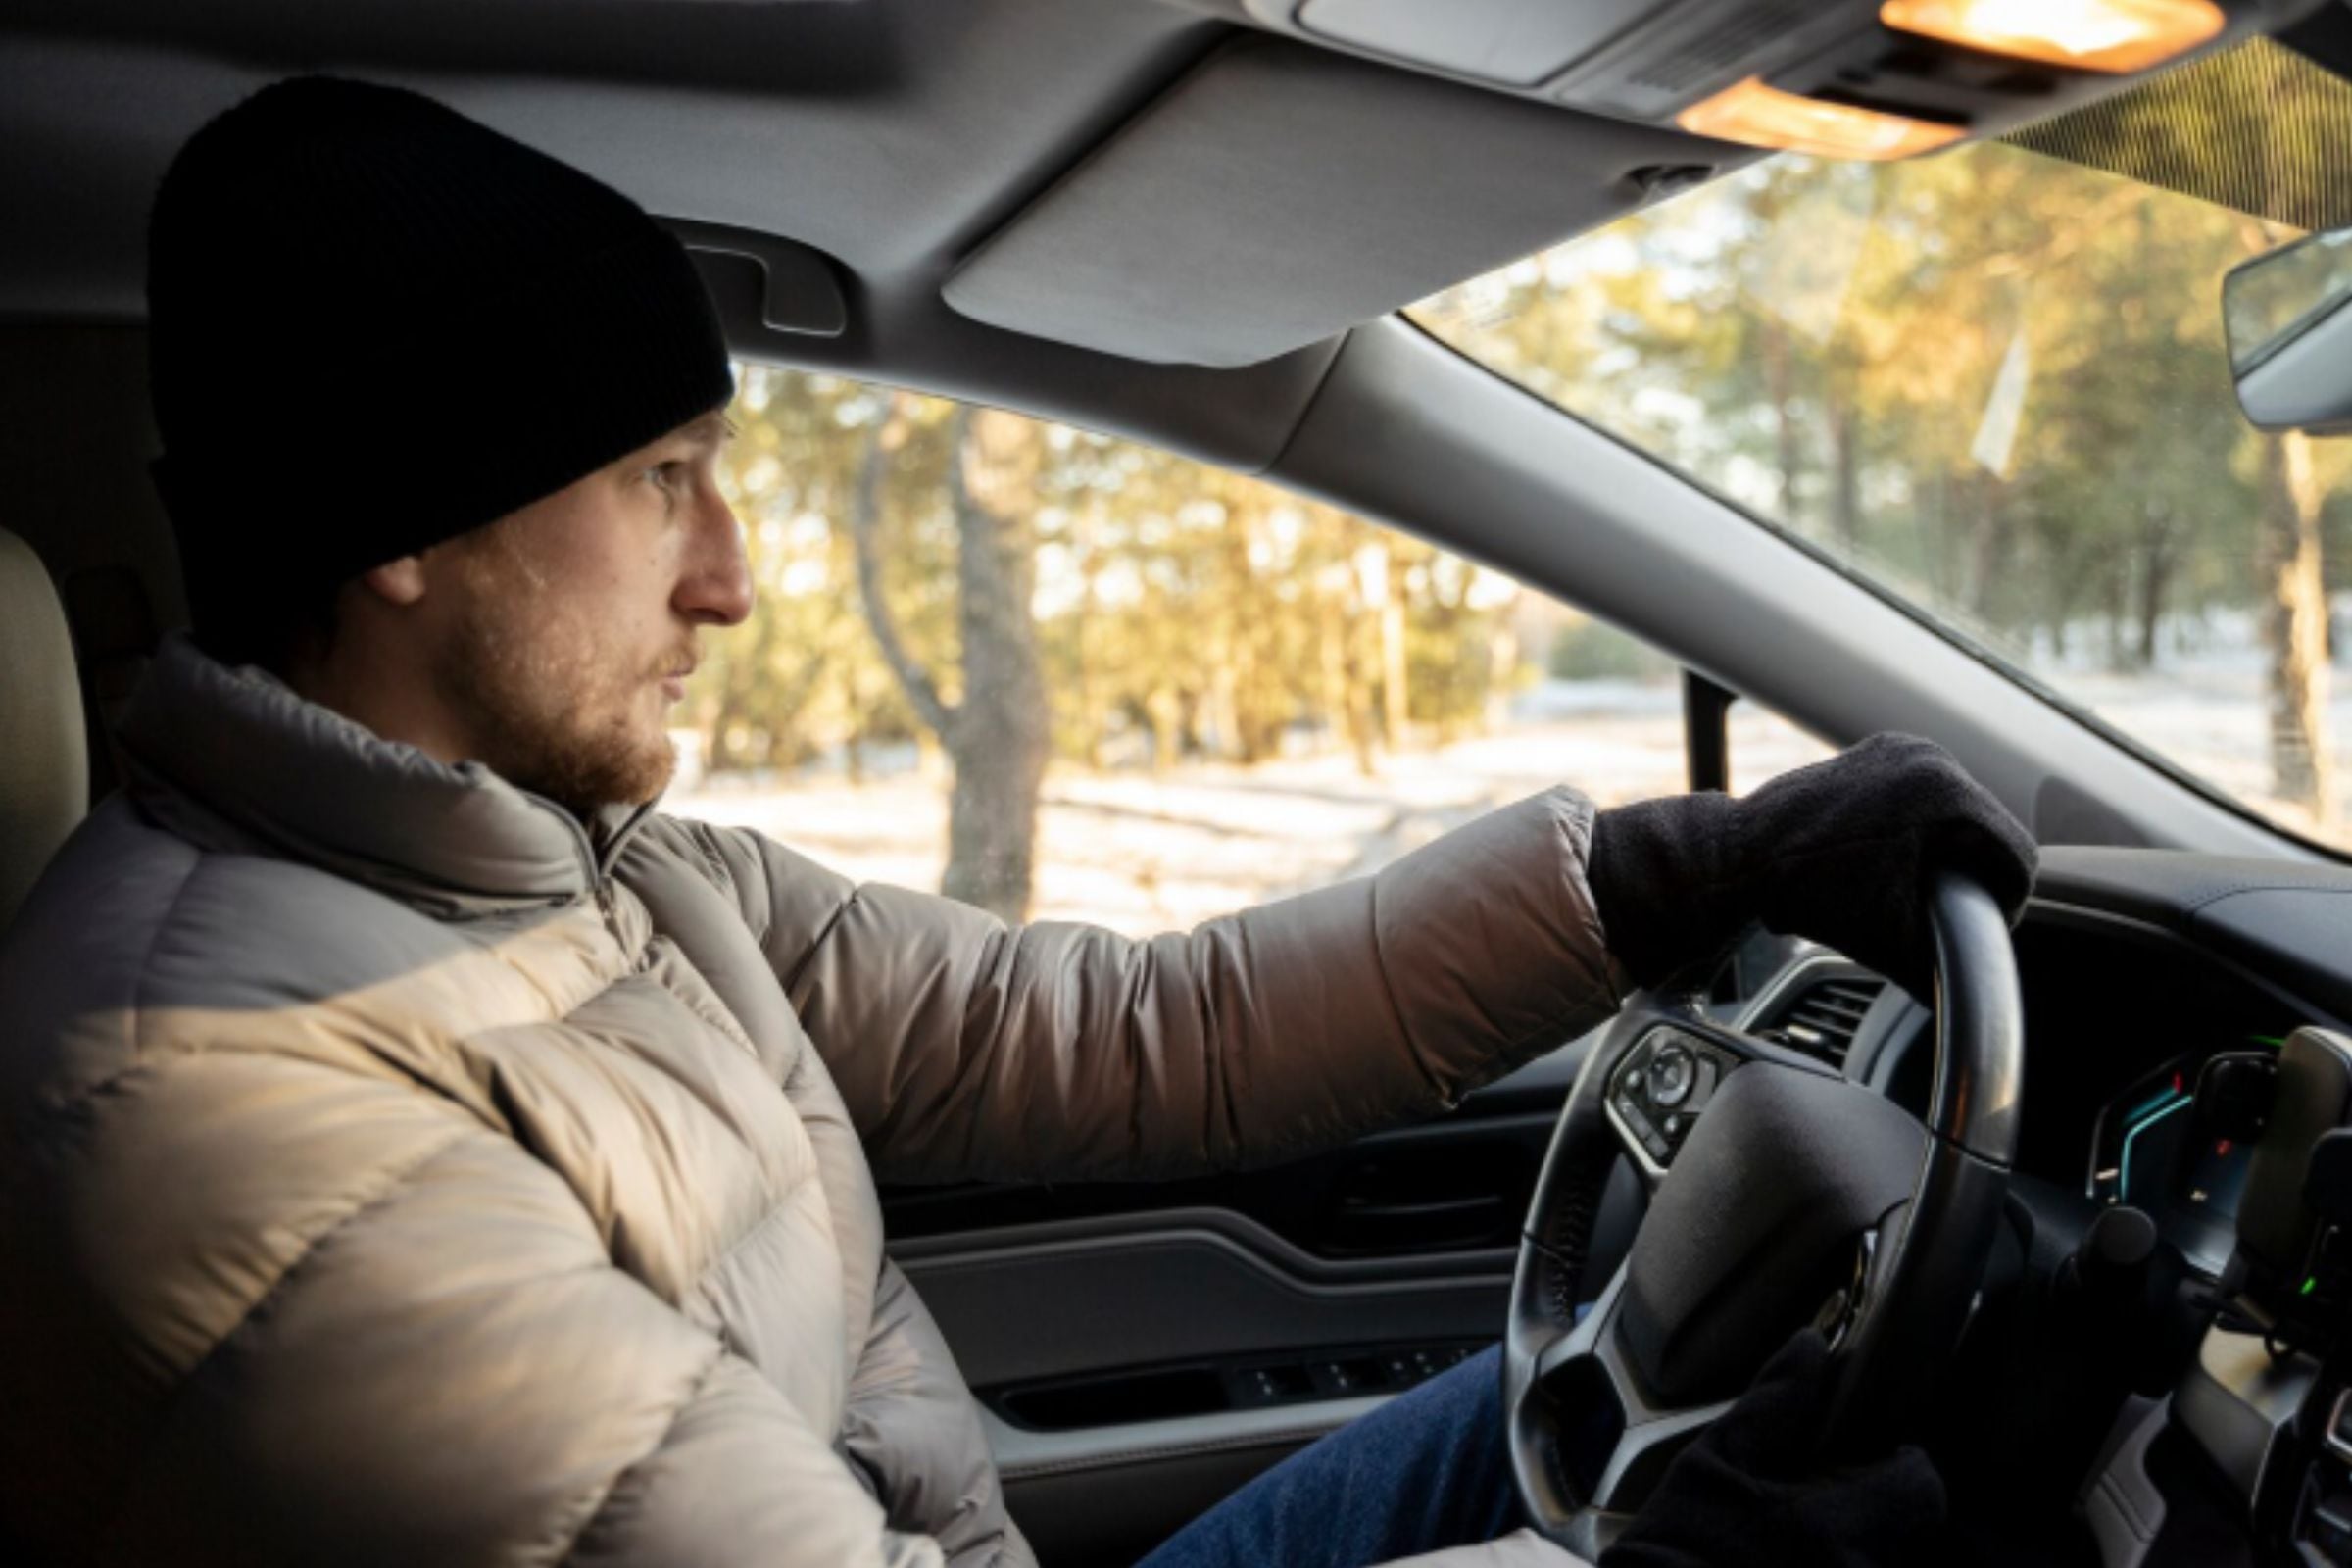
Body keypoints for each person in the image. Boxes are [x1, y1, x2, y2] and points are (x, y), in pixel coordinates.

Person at [0, 77, 2034, 1568]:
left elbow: (1139, 1030)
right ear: (403, 528)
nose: (726, 578)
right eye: (654, 481)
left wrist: (1670, 872)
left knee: (1569, 1412)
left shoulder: (605, 874)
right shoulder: (219, 1117)